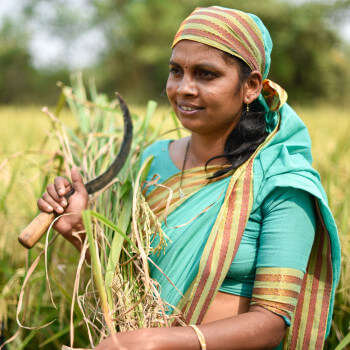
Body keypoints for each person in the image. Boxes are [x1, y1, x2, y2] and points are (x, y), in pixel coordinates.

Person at [37, 6, 341, 350]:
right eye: (175, 71)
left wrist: (154, 341)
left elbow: (272, 323)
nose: (184, 88)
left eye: (206, 74)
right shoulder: (151, 161)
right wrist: (80, 229)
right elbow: (130, 288)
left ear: (251, 86)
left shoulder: (280, 181)